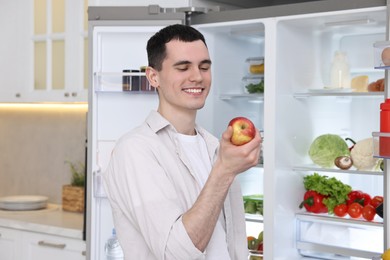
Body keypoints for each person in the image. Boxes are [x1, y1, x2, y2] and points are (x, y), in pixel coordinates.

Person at [103, 24, 262, 260]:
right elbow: (176, 253)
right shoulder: (135, 150)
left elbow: (231, 244)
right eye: (182, 67)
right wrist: (224, 172)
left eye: (204, 67)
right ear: (153, 76)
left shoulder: (215, 147)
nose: (197, 76)